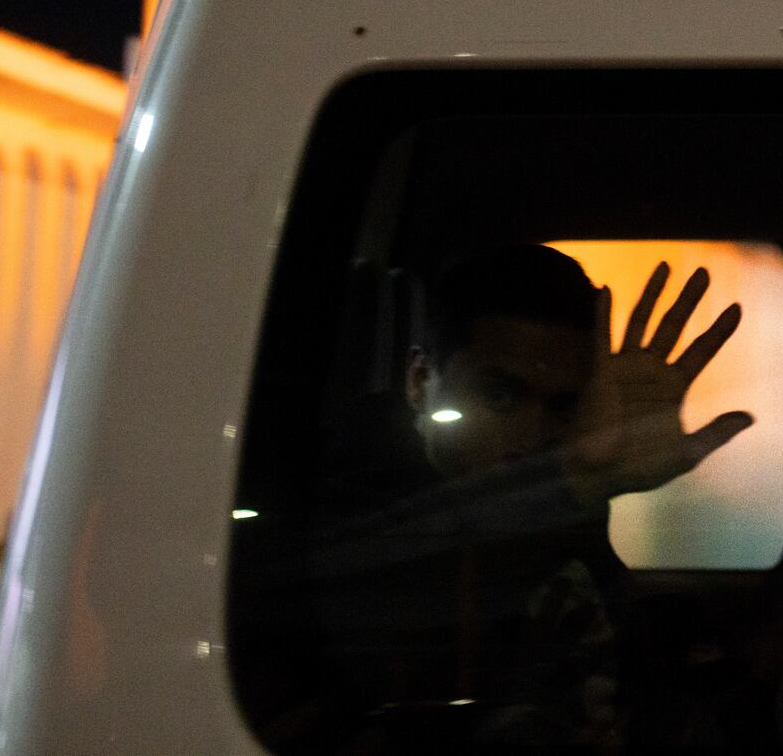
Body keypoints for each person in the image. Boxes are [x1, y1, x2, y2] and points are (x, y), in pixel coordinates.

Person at [294, 245, 753, 747]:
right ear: (420, 381)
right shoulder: (333, 500)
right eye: (499, 395)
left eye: (563, 405)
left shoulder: (562, 495)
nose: (534, 436)